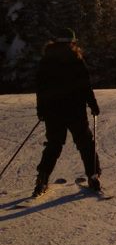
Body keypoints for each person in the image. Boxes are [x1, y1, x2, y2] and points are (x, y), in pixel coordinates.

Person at [33, 27, 101, 197]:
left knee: (54, 144)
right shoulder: (75, 59)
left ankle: (42, 178)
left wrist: (41, 109)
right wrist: (92, 104)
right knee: (85, 142)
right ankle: (93, 176)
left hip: (53, 110)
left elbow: (41, 88)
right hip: (75, 110)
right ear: (72, 42)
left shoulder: (46, 61)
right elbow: (85, 85)